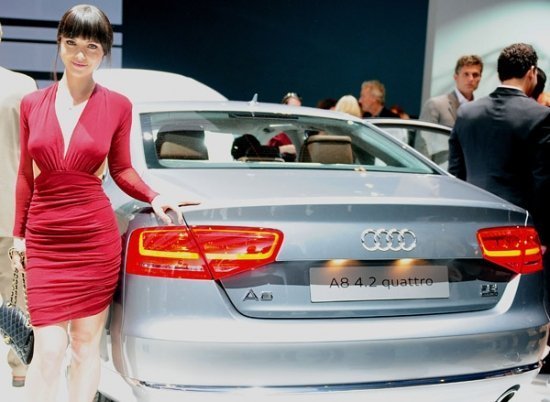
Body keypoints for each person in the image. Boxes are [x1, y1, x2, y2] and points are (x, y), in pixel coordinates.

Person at [11, 5, 194, 402]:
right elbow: (25, 175)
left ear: (104, 52)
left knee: (84, 345)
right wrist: (18, 236)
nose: (80, 54)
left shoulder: (118, 106)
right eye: (72, 42)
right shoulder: (32, 104)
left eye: (91, 46)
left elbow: (122, 169)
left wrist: (155, 196)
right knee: (48, 349)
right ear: (59, 43)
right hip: (45, 238)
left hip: (93, 239)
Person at [448, 42, 550, 268]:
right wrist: (543, 236)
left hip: (470, 226)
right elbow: (543, 182)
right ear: (532, 72)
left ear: (499, 73)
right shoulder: (541, 116)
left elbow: (455, 175)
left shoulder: (466, 112)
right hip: (519, 230)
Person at [0, 21, 37, 388]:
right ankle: (21, 370)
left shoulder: (23, 87)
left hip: (12, 210)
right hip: (10, 208)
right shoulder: (22, 86)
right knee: (17, 296)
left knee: (18, 294)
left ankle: (22, 368)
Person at [420, 55, 483, 127]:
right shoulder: (435, 104)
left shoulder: (481, 111)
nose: (471, 79)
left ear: (480, 78)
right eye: (466, 74)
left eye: (475, 75)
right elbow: (424, 134)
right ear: (456, 77)